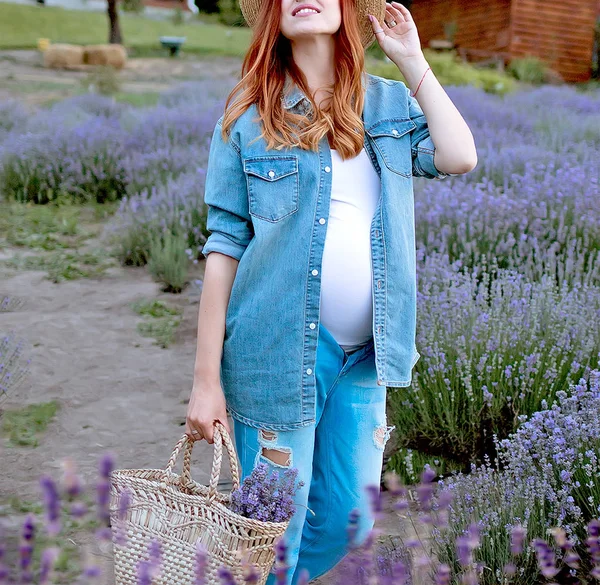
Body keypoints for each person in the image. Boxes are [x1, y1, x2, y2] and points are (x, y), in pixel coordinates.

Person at [185, 0, 477, 581]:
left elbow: (459, 156)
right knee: (274, 534)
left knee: (352, 522)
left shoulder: (391, 104)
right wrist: (204, 383)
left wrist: (413, 60)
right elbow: (223, 251)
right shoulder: (246, 118)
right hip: (274, 354)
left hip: (364, 356)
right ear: (273, 14)